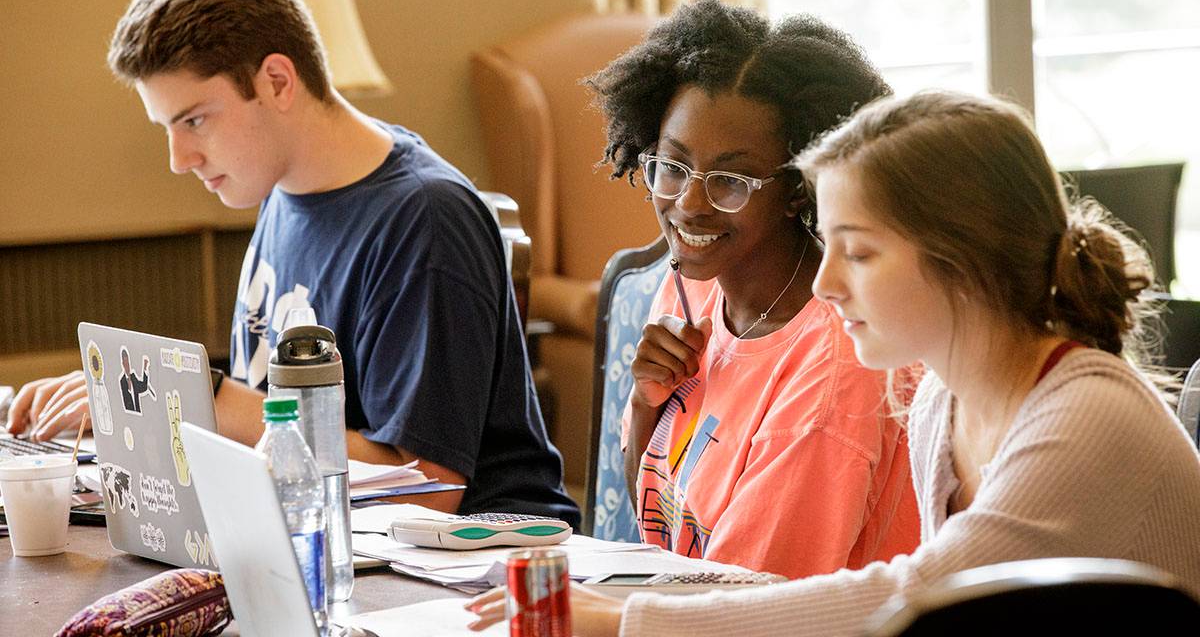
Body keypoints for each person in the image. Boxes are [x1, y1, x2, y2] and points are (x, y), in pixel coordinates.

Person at [468, 90, 1200, 635]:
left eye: (859, 252)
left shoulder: (1083, 418)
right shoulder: (942, 401)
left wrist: (627, 621)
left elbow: (920, 595)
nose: (825, 283)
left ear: (963, 262)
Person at [6, 0, 579, 526]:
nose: (179, 159)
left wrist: (192, 398)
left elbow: (423, 489)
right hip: (321, 540)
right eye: (167, 128)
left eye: (194, 119)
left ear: (278, 81)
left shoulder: (426, 220)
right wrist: (139, 416)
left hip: (480, 569)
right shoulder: (281, 193)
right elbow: (264, 438)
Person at [582, 0, 920, 578]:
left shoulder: (836, 374)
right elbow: (661, 527)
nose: (688, 205)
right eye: (673, 166)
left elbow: (746, 609)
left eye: (731, 180)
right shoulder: (694, 288)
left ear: (797, 189)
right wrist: (645, 404)